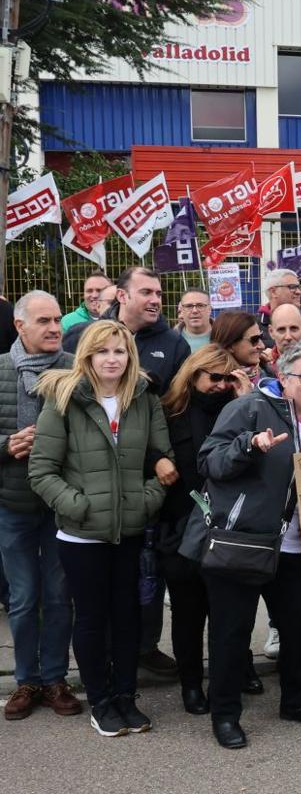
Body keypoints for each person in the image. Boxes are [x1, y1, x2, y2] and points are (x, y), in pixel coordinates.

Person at [181, 341, 301, 750]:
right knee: (232, 633)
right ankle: (226, 715)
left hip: (295, 546)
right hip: (242, 541)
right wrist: (248, 446)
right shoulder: (248, 408)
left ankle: (297, 701)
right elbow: (209, 462)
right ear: (282, 379)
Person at [28, 321, 172, 737]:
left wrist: (146, 501)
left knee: (127, 616)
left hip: (129, 529)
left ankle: (126, 697)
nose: (112, 359)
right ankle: (102, 701)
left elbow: (160, 459)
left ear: (131, 356)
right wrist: (79, 506)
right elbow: (42, 470)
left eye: (120, 351)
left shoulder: (143, 398)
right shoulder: (64, 398)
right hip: (81, 535)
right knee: (91, 619)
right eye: (102, 352)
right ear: (87, 357)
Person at [157, 345, 256, 715]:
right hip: (182, 528)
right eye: (213, 377)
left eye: (227, 378)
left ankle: (228, 679)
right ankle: (190, 684)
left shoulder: (242, 409)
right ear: (193, 375)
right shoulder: (171, 412)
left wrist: (246, 399)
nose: (220, 385)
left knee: (226, 614)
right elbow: (150, 451)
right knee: (187, 614)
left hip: (229, 530)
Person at [0, 291, 80, 721]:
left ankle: (54, 679)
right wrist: (6, 445)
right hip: (12, 506)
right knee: (23, 596)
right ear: (19, 326)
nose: (54, 328)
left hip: (61, 505)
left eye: (57, 321)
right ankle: (26, 681)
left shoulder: (74, 369)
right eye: (44, 321)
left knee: (57, 594)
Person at [62, 267, 191, 397]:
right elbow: (64, 389)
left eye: (158, 294)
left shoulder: (176, 345)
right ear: (122, 296)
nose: (155, 300)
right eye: (146, 292)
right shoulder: (81, 335)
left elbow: (178, 402)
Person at [257, 269, 301, 347]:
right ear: (273, 292)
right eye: (292, 287)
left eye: (299, 287)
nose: (298, 292)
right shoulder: (254, 326)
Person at [211, 311, 265, 387]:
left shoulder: (267, 373)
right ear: (230, 345)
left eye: (261, 337)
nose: (262, 346)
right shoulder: (216, 385)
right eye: (254, 339)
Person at [175, 288, 212, 353]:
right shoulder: (171, 340)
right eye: (189, 306)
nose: (195, 311)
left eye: (200, 305)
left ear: (209, 309)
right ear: (182, 310)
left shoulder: (225, 337)